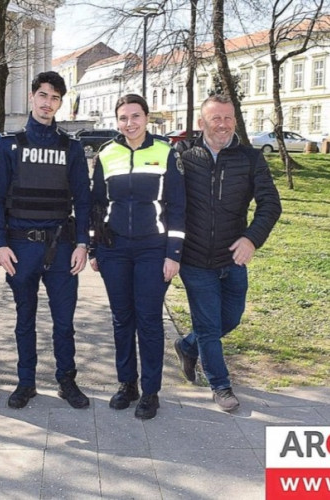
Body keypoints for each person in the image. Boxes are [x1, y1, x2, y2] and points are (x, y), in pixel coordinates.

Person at [0, 71, 91, 410]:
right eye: (43, 95)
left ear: (61, 103)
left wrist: (82, 244)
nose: (48, 103)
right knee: (24, 320)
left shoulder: (71, 147)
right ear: (33, 97)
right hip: (20, 247)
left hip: (61, 246)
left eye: (55, 98)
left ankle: (67, 380)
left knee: (64, 321)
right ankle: (26, 382)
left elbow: (84, 198)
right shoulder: (8, 145)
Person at [174, 95, 281, 412]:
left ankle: (186, 344)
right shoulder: (183, 156)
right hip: (194, 259)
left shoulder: (250, 158)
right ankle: (220, 386)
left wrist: (251, 239)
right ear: (201, 122)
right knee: (209, 327)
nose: (222, 124)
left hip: (233, 258)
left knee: (229, 319)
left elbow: (271, 205)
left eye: (228, 118)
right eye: (215, 118)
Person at [90, 94, 186, 420]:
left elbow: (177, 208)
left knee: (148, 320)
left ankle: (151, 391)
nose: (129, 123)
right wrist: (94, 247)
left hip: (152, 249)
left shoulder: (166, 152)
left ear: (146, 118)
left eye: (135, 116)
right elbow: (96, 205)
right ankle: (127, 384)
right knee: (121, 319)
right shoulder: (107, 154)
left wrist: (173, 254)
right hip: (114, 250)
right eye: (123, 118)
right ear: (117, 121)